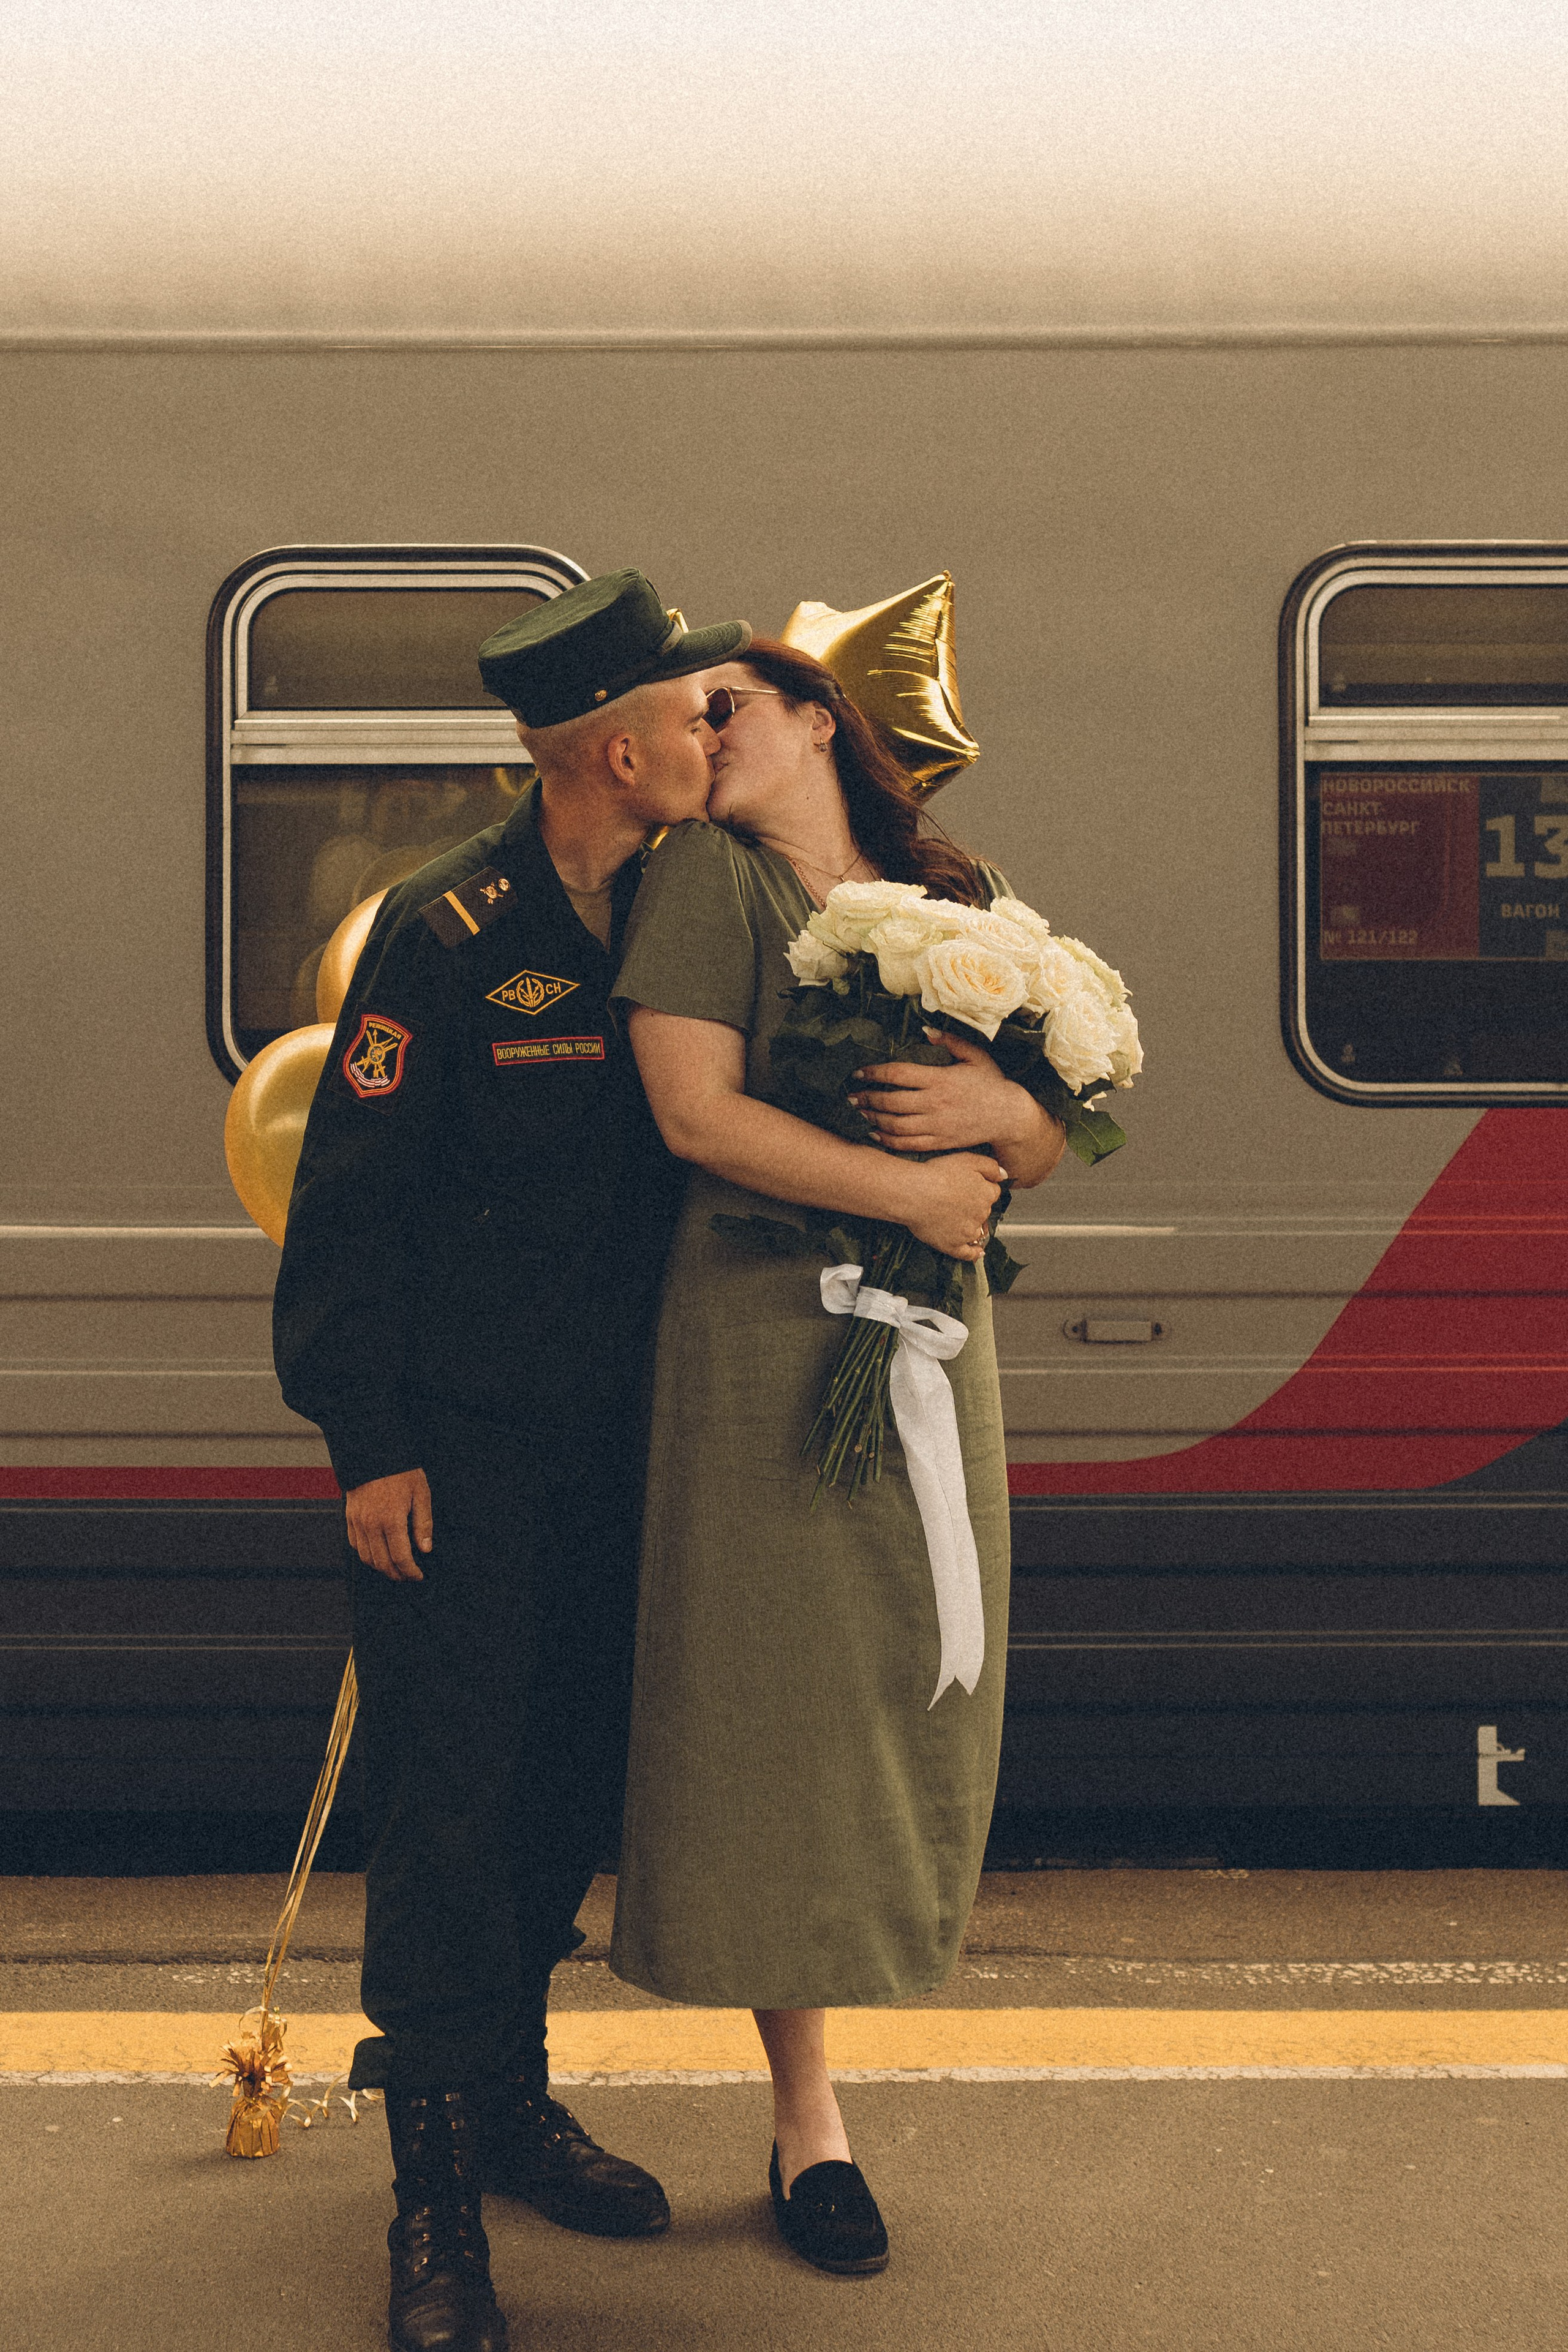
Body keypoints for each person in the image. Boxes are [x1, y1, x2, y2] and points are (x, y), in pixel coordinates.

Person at [273, 571, 750, 2352]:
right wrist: (370, 1443)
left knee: (563, 1791)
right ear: (612, 751)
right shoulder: (447, 931)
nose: (715, 734)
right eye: (694, 714)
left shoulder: (688, 913)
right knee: (452, 1814)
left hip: (629, 1460)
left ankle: (510, 2104)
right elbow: (350, 1210)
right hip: (462, 1465)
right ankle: (427, 2200)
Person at [608, 636, 1067, 2275]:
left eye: (728, 706)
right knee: (782, 1720)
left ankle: (857, 2027)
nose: (699, 733)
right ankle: (812, 2117)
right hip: (762, 1352)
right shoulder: (702, 883)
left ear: (819, 721)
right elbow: (694, 1118)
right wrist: (920, 1192)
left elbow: (1051, 1119)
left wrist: (1000, 1133)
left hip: (935, 1344)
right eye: (686, 713)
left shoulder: (958, 888)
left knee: (906, 1697)